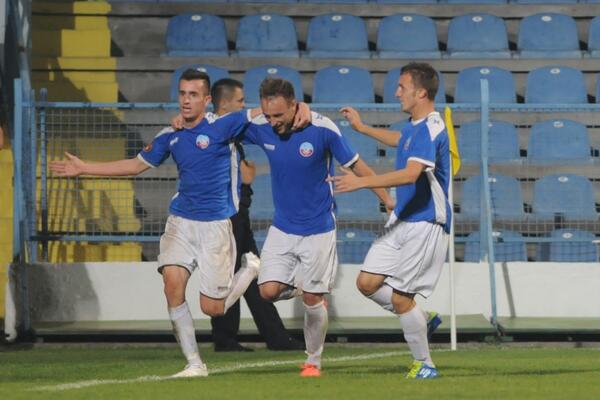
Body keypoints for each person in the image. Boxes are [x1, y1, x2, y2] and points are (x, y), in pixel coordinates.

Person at [49, 69, 308, 378]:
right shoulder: (169, 134)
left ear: (207, 100)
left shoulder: (225, 124)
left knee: (213, 308)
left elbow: (270, 111)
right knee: (172, 285)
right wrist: (84, 168)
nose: (186, 100)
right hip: (181, 222)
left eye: (193, 94)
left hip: (216, 226)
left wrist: (303, 108)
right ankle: (194, 363)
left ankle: (250, 268)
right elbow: (135, 165)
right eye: (183, 94)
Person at [243, 78, 394, 377]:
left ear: (294, 105)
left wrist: (386, 199)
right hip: (282, 227)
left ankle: (313, 360)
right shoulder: (261, 126)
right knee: (268, 292)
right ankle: (306, 287)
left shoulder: (323, 129)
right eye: (267, 115)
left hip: (319, 228)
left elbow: (357, 165)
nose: (273, 122)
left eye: (278, 115)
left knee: (313, 301)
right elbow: (224, 125)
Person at [332, 62, 449, 379]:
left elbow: (411, 174)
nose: (396, 93)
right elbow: (401, 139)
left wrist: (362, 182)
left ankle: (425, 364)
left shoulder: (432, 127)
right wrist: (362, 128)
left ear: (420, 93)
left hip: (425, 222)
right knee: (367, 284)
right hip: (402, 218)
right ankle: (420, 317)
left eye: (402, 87)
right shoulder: (414, 126)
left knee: (400, 297)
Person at [208, 78, 303, 352]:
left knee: (251, 273)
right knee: (232, 275)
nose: (244, 106)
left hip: (238, 213)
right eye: (240, 101)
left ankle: (271, 337)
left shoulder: (232, 133)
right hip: (226, 216)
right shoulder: (215, 130)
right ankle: (228, 337)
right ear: (225, 104)